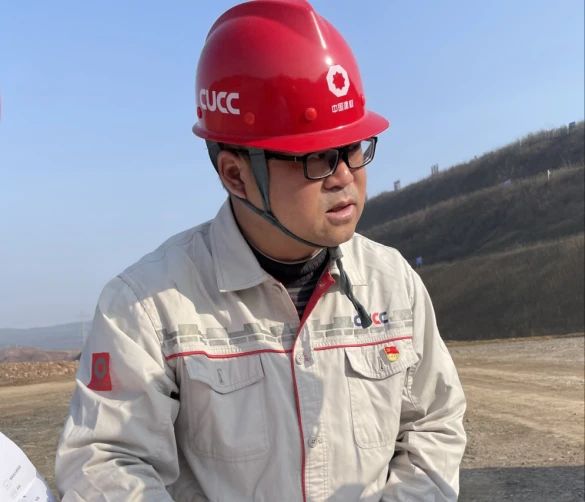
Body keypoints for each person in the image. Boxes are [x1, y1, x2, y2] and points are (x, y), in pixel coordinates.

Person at [55, 1, 467, 500]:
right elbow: (104, 462)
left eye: (355, 148)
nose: (345, 177)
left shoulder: (392, 282)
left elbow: (434, 424)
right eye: (316, 157)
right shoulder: (147, 308)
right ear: (236, 175)